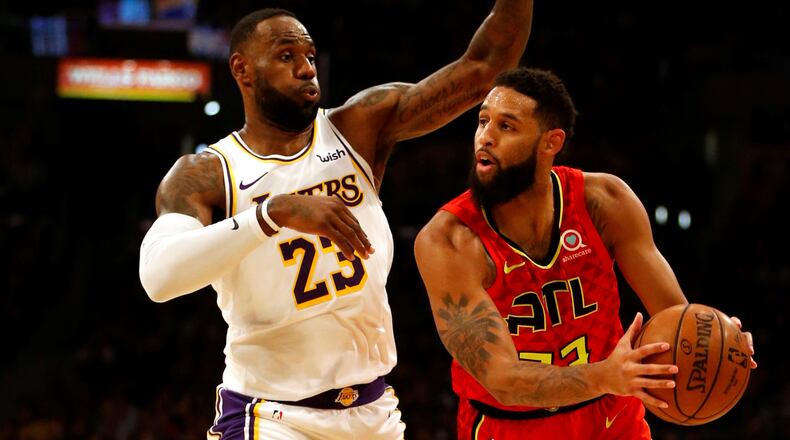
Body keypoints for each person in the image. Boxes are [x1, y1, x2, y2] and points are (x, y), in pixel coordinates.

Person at [138, 2, 533, 438]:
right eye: (286, 56)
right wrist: (273, 213)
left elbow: (485, 66)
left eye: (309, 56)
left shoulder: (358, 129)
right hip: (271, 416)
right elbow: (158, 277)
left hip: (373, 411)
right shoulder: (207, 173)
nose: (306, 68)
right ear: (242, 70)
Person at [413, 67, 757, 439]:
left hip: (612, 414)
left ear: (551, 142)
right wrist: (606, 376)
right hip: (511, 424)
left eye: (507, 126)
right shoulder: (449, 240)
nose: (486, 137)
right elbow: (502, 379)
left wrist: (715, 338)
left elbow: (673, 315)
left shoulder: (603, 203)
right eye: (483, 121)